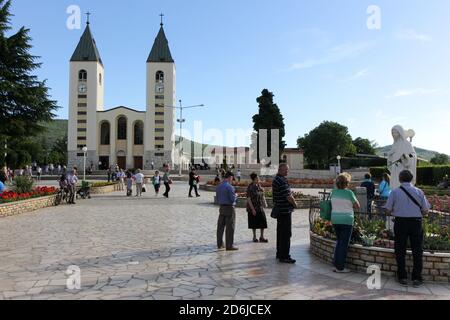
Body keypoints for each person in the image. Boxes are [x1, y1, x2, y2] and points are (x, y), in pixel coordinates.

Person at [385, 170, 430, 288]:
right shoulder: (419, 191)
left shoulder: (394, 192)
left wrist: (396, 210)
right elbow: (426, 210)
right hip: (416, 222)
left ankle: (402, 276)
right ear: (411, 179)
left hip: (401, 222)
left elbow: (387, 210)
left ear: (400, 179)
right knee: (417, 250)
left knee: (400, 250)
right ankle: (417, 278)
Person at [330, 173, 361, 273]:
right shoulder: (349, 193)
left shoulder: (333, 192)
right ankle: (340, 267)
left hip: (335, 219)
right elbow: (357, 206)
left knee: (339, 242)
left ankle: (336, 264)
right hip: (346, 220)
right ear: (347, 183)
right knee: (343, 244)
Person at [273, 164, 298, 264]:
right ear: (280, 169)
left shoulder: (276, 179)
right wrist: (295, 204)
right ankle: (285, 256)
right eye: (286, 170)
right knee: (286, 234)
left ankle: (279, 253)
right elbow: (288, 196)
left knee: (280, 233)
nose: (287, 171)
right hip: (284, 211)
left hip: (280, 210)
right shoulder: (282, 180)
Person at [216, 171, 238, 251]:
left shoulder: (219, 186)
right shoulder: (230, 187)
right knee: (230, 228)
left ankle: (220, 244)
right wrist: (236, 196)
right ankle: (229, 245)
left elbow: (217, 198)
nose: (232, 180)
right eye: (232, 178)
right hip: (229, 208)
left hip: (221, 207)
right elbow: (232, 200)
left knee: (220, 227)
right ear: (230, 177)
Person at [247, 173, 268, 243]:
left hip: (260, 207)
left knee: (263, 221)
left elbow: (262, 195)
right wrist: (252, 209)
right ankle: (254, 237)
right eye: (257, 178)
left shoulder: (258, 186)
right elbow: (248, 199)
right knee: (254, 223)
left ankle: (262, 237)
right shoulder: (250, 187)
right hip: (253, 207)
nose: (258, 179)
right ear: (254, 179)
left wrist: (265, 203)